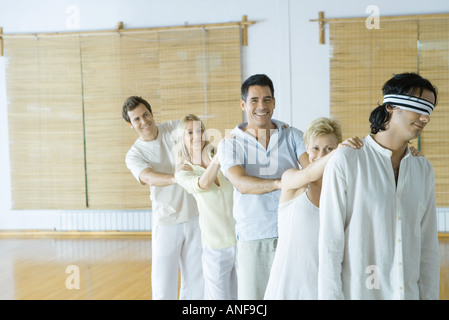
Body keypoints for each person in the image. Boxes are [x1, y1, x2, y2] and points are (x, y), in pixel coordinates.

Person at [318, 72, 440, 300]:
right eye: (419, 107)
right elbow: (330, 245)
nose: (426, 118)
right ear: (392, 106)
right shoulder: (347, 160)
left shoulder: (423, 169)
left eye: (430, 110)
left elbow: (428, 248)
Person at [217, 74, 309, 300]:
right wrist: (282, 183)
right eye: (254, 100)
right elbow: (240, 182)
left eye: (267, 100)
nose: (262, 106)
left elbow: (311, 170)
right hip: (253, 236)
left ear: (274, 102)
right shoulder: (229, 143)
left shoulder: (293, 135)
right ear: (243, 104)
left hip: (293, 232)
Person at [264, 117, 363, 300]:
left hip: (322, 286)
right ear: (306, 149)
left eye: (329, 148)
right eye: (315, 148)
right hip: (288, 285)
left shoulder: (342, 190)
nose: (321, 154)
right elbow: (310, 172)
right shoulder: (292, 179)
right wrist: (339, 153)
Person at [122, 96, 204, 300]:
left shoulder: (174, 128)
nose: (144, 122)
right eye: (137, 119)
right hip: (167, 221)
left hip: (194, 216)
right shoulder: (134, 154)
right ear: (130, 124)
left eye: (145, 115)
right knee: (163, 284)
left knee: (196, 281)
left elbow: (195, 127)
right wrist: (176, 177)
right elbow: (147, 176)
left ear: (151, 113)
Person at [174, 114, 237, 300]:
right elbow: (203, 184)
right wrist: (218, 158)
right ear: (182, 138)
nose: (197, 135)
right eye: (190, 132)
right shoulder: (183, 171)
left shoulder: (223, 156)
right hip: (215, 245)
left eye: (200, 130)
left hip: (241, 239)